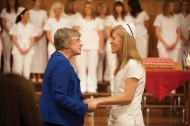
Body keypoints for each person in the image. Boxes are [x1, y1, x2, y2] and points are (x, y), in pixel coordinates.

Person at [85, 23, 145, 126]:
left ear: (124, 40)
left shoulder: (133, 64)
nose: (110, 42)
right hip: (118, 118)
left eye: (113, 38)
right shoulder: (122, 64)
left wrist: (97, 100)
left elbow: (127, 97)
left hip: (129, 120)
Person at [39, 28, 97, 126]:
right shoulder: (60, 62)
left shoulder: (59, 60)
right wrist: (85, 107)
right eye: (77, 40)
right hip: (58, 120)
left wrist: (80, 102)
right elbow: (60, 97)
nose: (81, 43)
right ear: (66, 43)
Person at [75, 2, 104, 93]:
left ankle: (92, 87)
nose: (87, 9)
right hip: (81, 48)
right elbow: (75, 34)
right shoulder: (79, 20)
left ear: (92, 9)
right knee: (81, 68)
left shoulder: (97, 21)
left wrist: (100, 48)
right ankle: (81, 87)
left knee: (92, 68)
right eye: (86, 7)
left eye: (89, 7)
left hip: (93, 48)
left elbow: (101, 36)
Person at [105, 1, 133, 92]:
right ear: (114, 8)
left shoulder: (128, 17)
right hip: (112, 43)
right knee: (113, 66)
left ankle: (122, 89)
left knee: (124, 66)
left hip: (124, 44)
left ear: (123, 7)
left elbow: (130, 31)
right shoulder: (110, 17)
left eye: (120, 6)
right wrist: (113, 39)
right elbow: (108, 30)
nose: (118, 8)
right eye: (117, 6)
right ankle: (114, 89)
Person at [9, 8, 36, 79]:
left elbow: (33, 38)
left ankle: (25, 89)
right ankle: (16, 89)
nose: (29, 16)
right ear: (22, 15)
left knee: (27, 71)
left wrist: (28, 48)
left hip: (29, 50)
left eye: (29, 14)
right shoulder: (16, 25)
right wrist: (20, 49)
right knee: (18, 70)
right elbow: (14, 38)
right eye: (27, 14)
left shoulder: (31, 26)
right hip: (17, 50)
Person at [0, 0, 24, 73]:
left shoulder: (20, 10)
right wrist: (10, 33)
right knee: (6, 55)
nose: (11, 1)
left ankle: (15, 73)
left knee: (16, 54)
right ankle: (7, 72)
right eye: (9, 0)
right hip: (6, 34)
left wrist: (14, 34)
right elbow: (3, 24)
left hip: (17, 34)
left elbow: (21, 21)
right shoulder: (4, 11)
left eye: (13, 0)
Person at [29, 0, 48, 82]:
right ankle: (33, 74)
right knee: (33, 54)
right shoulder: (29, 12)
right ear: (33, 2)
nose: (39, 3)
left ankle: (40, 75)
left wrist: (40, 36)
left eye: (40, 1)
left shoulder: (44, 13)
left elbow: (46, 25)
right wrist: (32, 35)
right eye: (37, 1)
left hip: (42, 36)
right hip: (30, 35)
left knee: (41, 54)